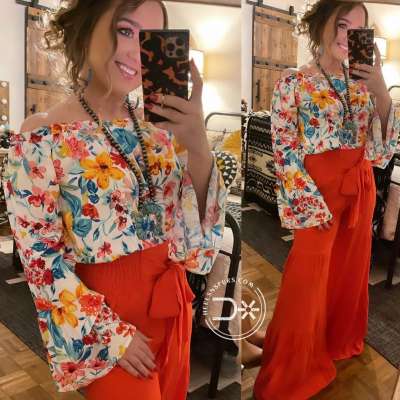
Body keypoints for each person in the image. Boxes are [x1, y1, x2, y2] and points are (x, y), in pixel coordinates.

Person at [2, 0, 227, 398]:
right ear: (88, 27)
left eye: (149, 39)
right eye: (125, 31)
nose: (137, 53)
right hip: (105, 323)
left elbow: (195, 240)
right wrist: (112, 336)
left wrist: (197, 143)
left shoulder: (161, 132)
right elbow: (39, 259)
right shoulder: (42, 134)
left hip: (170, 308)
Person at [254, 1, 400, 399]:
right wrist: (307, 203)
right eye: (341, 25)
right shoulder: (293, 82)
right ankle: (292, 366)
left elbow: (382, 151)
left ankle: (336, 341)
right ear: (321, 25)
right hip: (314, 191)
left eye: (357, 30)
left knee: (349, 272)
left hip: (359, 187)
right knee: (307, 277)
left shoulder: (364, 83)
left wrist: (381, 89)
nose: (347, 37)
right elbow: (284, 150)